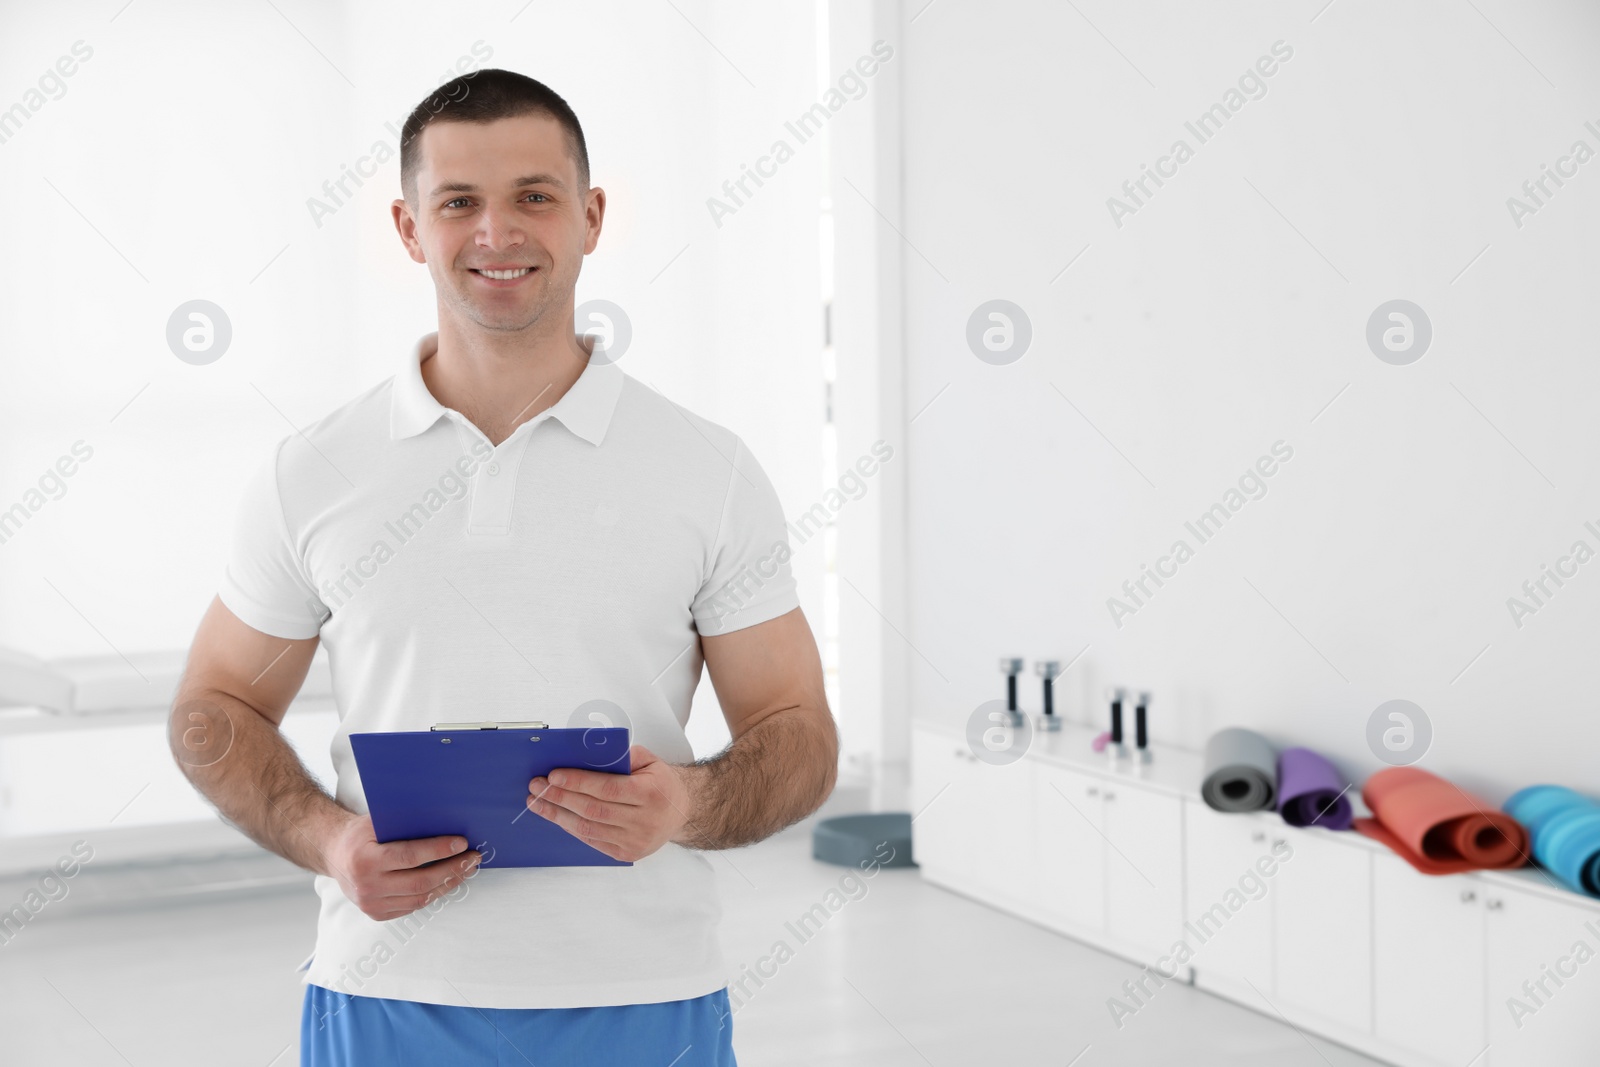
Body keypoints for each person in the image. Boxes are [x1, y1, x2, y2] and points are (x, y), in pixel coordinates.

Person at [168, 67, 837, 1067]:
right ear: (407, 228)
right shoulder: (311, 470)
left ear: (590, 215)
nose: (498, 233)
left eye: (533, 195)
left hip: (641, 998)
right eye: (458, 203)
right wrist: (332, 841)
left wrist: (687, 802)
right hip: (388, 994)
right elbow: (212, 709)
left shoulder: (708, 470)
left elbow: (800, 737)